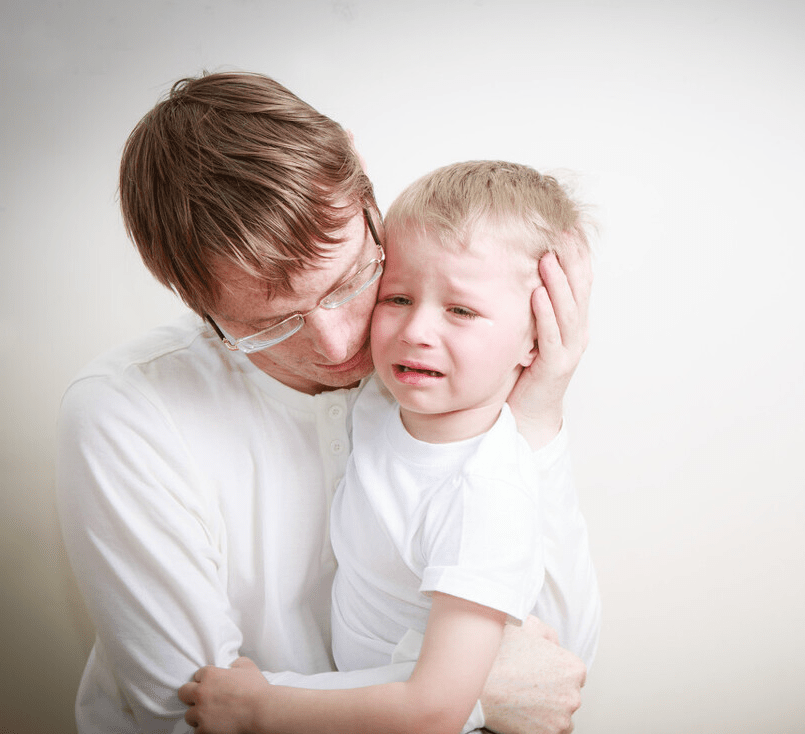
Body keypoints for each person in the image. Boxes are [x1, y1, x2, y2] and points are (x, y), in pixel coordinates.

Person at [56, 72, 592, 734]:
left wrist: (535, 420)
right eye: (270, 323)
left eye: (350, 282)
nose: (340, 342)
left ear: (366, 192)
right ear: (194, 302)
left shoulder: (432, 366)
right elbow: (190, 714)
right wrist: (470, 696)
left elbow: (555, 672)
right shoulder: (126, 415)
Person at [179, 160, 601, 734]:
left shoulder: (484, 495)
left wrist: (260, 709)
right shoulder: (383, 400)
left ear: (538, 337)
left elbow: (435, 710)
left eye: (461, 310)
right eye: (397, 298)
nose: (416, 330)